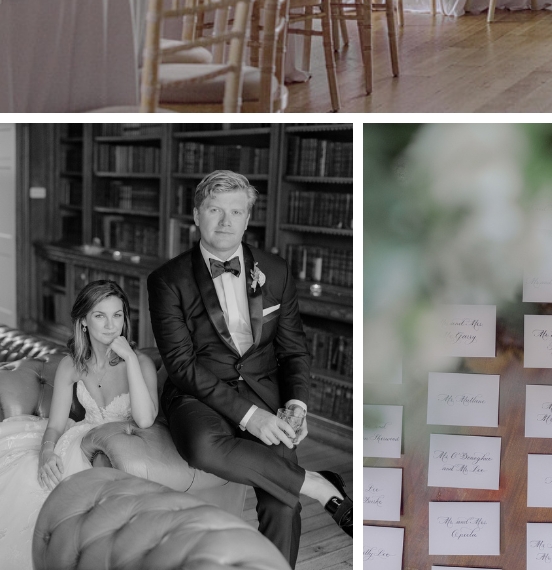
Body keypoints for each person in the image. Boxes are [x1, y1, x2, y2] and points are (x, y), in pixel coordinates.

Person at [148, 170, 351, 568]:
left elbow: (294, 350)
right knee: (202, 446)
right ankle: (319, 484)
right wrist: (249, 417)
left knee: (281, 502)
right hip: (196, 393)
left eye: (236, 211)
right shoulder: (167, 280)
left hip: (264, 390)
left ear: (247, 218)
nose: (225, 222)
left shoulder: (275, 271)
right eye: (214, 210)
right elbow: (181, 364)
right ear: (196, 215)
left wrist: (296, 404)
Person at [0, 279, 159, 562]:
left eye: (117, 315)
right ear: (84, 321)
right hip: (77, 442)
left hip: (117, 450)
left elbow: (145, 420)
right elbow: (56, 425)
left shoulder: (141, 363)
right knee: (27, 485)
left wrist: (130, 359)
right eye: (100, 315)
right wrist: (47, 451)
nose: (111, 325)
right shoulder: (71, 364)